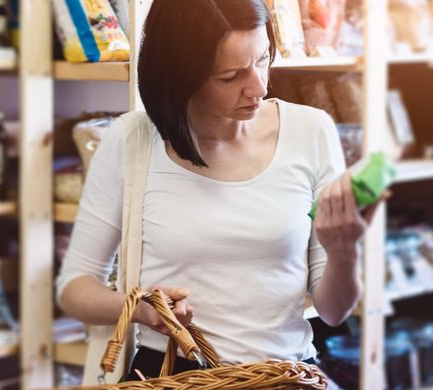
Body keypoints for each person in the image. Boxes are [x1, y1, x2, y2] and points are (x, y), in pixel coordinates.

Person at [55, 0, 378, 380]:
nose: (257, 86)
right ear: (181, 75)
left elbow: (334, 311)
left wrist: (343, 252)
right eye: (231, 76)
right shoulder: (132, 140)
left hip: (284, 378)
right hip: (171, 377)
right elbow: (74, 289)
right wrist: (139, 308)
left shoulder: (311, 131)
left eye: (262, 59)